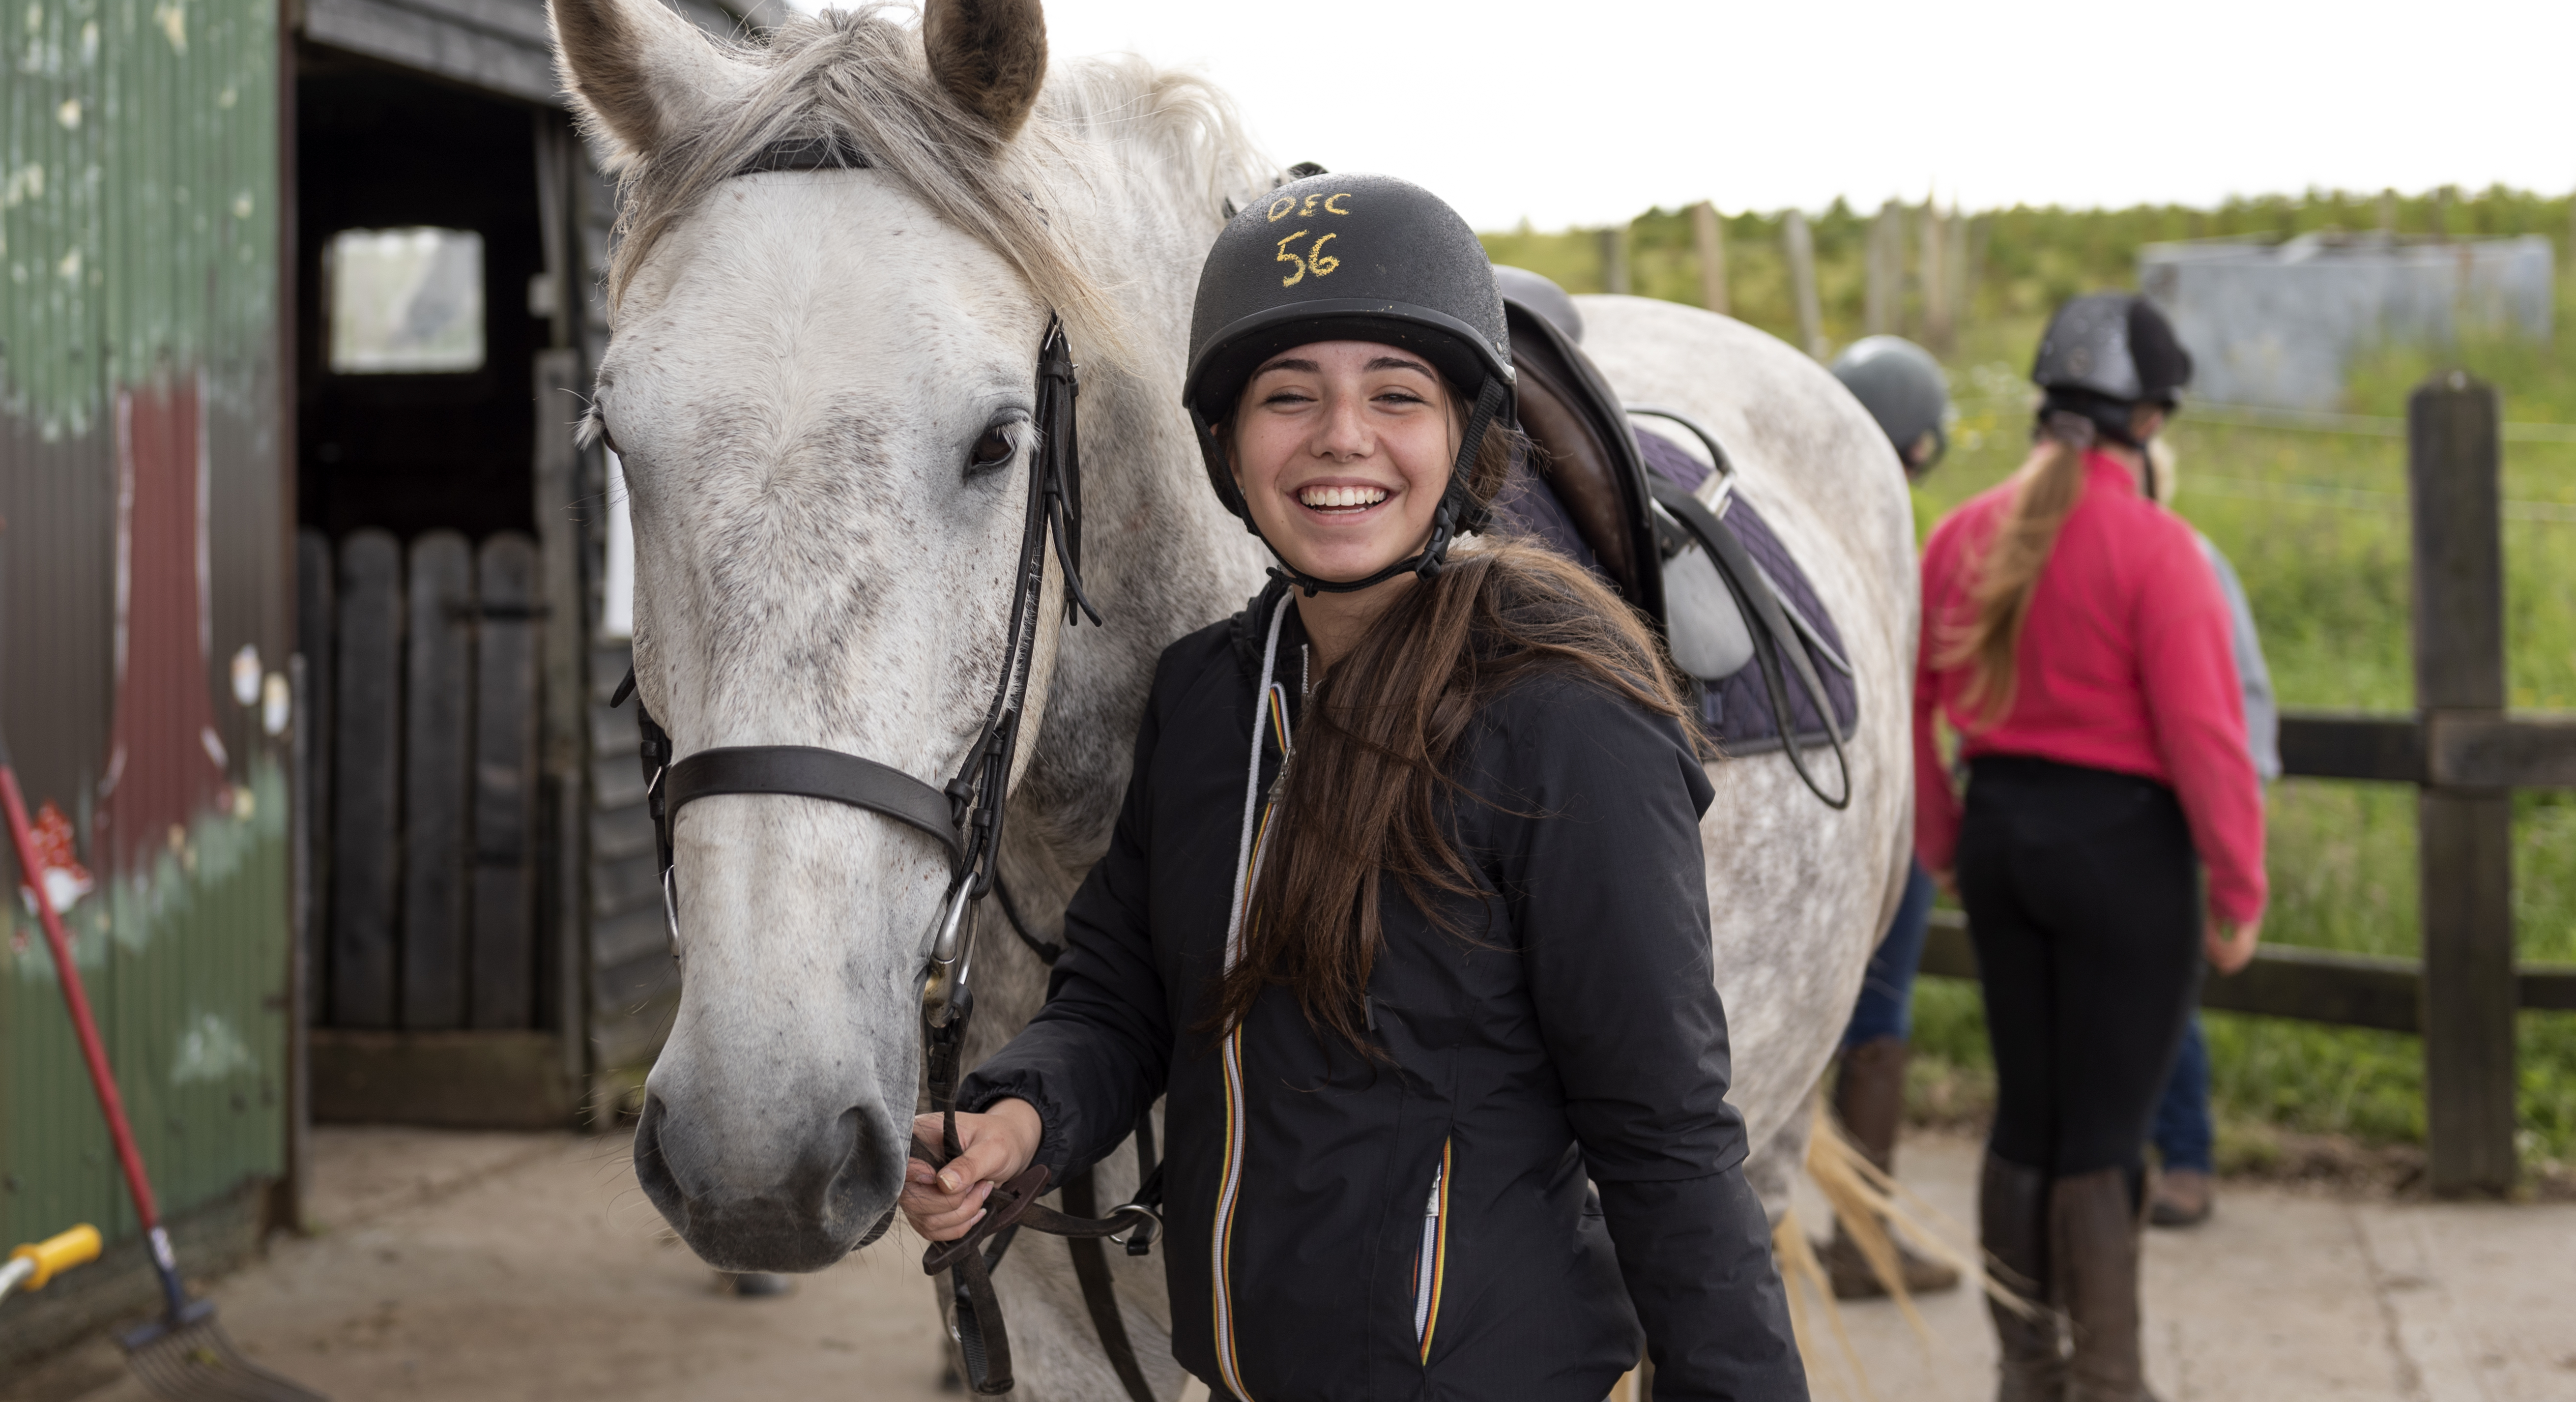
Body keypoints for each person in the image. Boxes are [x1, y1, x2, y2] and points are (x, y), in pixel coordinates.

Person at [899, 175, 1806, 1401]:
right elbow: (1120, 993)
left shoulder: (1566, 720)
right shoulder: (1208, 695)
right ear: (1227, 446)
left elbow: (1667, 1137)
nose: (1340, 435)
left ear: (1460, 434)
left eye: (1395, 393)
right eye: (1288, 396)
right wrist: (1020, 1117)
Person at [1913, 293, 2266, 1402]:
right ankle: (2109, 1382)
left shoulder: (1961, 534)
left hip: (2005, 843)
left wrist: (1946, 842)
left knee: (2026, 1112)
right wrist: (2239, 882)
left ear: (2042, 405)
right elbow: (2206, 736)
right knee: (2105, 1129)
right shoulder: (2161, 551)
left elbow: (1913, 699)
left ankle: (2030, 1374)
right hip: (2126, 858)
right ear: (2150, 420)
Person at [1818, 335, 1962, 1299]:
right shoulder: (1898, 530)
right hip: (1889, 801)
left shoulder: (1788, 515)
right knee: (1879, 1011)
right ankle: (1865, 1237)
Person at [2140, 437, 2283, 1230]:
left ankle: (2187, 1153)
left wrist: (2236, 815)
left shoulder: (2194, 560)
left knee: (2169, 991)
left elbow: (2243, 696)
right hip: (2108, 818)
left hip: (2172, 814)